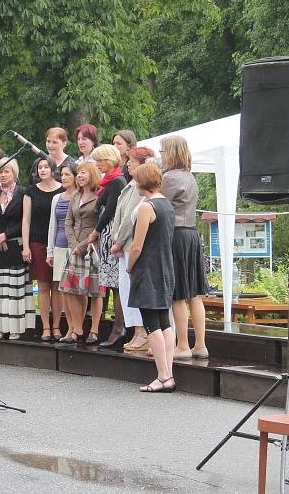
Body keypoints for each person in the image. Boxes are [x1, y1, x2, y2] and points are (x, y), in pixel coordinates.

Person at [127, 163, 176, 392]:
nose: (134, 183)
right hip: (165, 267)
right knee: (164, 322)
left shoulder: (147, 207)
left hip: (147, 268)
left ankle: (163, 375)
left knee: (151, 323)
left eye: (136, 180)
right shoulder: (166, 204)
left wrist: (129, 266)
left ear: (142, 182)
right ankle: (169, 374)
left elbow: (137, 245)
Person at [160, 135, 209, 360]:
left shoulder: (169, 178)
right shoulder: (190, 176)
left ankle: (183, 345)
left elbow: (159, 206)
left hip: (176, 235)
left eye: (162, 151)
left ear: (170, 153)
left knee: (178, 294)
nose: (160, 155)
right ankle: (200, 344)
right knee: (194, 293)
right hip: (191, 233)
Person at [0, 159, 34, 339]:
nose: (3, 175)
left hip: (14, 242)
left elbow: (24, 221)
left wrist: (6, 235)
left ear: (14, 173)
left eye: (7, 172)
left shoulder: (22, 192)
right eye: (0, 172)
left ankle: (15, 328)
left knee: (14, 288)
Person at [110, 146, 155, 352]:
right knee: (126, 289)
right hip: (123, 245)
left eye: (132, 161)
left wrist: (118, 241)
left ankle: (142, 332)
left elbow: (129, 218)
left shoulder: (140, 187)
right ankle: (137, 331)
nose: (127, 164)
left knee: (132, 290)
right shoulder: (130, 185)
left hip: (129, 245)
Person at [58, 162, 105, 344]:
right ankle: (76, 329)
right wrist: (73, 243)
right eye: (78, 173)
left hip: (92, 248)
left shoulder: (99, 196)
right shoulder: (76, 195)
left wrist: (84, 244)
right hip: (75, 248)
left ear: (92, 174)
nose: (79, 176)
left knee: (95, 291)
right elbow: (68, 221)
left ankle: (94, 330)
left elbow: (100, 224)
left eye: (83, 173)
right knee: (71, 289)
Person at [86, 144, 128, 348]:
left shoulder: (117, 181)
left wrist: (95, 231)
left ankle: (120, 327)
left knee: (116, 284)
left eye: (100, 160)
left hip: (110, 233)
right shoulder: (110, 181)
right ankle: (118, 325)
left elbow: (109, 210)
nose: (97, 165)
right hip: (106, 234)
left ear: (110, 159)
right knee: (111, 283)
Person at [21, 158, 63, 341]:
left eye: (46, 167)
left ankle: (57, 326)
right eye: (40, 167)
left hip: (59, 243)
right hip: (37, 242)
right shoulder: (30, 191)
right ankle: (45, 327)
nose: (42, 170)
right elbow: (26, 220)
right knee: (44, 286)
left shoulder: (63, 189)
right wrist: (25, 245)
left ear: (53, 169)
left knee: (58, 286)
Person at [47, 162, 78, 342]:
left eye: (67, 174)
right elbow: (53, 224)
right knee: (63, 290)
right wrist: (49, 251)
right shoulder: (57, 198)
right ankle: (69, 328)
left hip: (75, 247)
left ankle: (76, 328)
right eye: (62, 174)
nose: (64, 178)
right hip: (59, 246)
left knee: (75, 290)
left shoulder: (81, 196)